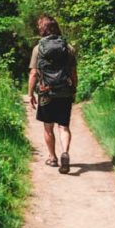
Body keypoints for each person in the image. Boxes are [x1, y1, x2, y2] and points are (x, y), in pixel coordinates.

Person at [28, 15, 77, 174]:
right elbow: (73, 72)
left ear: (42, 29)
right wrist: (73, 89)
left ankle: (53, 157)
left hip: (46, 93)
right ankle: (65, 153)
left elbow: (34, 73)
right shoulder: (68, 48)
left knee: (48, 128)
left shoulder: (38, 48)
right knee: (64, 127)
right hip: (64, 92)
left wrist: (30, 94)